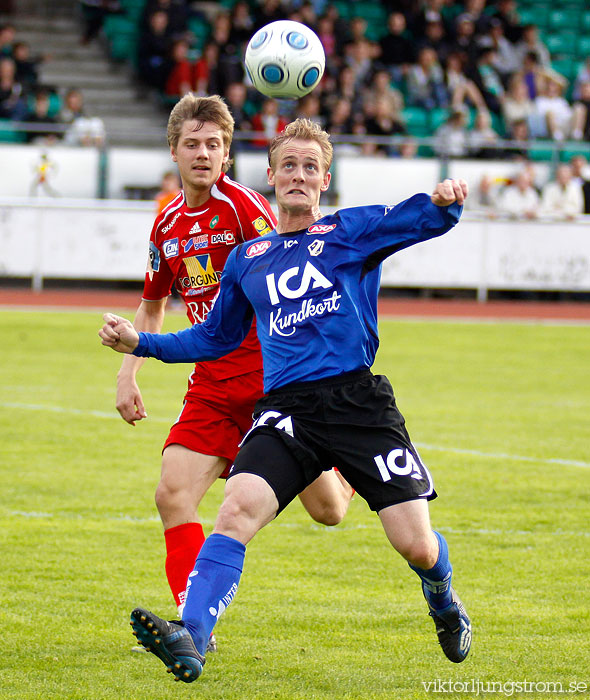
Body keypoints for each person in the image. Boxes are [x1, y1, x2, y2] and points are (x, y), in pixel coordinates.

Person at [99, 118, 472, 683]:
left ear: (325, 180)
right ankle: (192, 636)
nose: (299, 175)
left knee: (416, 545)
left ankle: (442, 594)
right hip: (284, 411)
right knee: (235, 510)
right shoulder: (249, 260)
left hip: (356, 406)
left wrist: (445, 203)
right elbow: (214, 338)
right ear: (271, 176)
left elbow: (416, 220)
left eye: (311, 167)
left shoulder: (351, 231)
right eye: (289, 166)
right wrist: (141, 344)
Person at [109, 97, 353, 647]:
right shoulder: (167, 222)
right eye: (192, 144)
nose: (203, 154)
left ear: (227, 153)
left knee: (330, 510)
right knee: (173, 494)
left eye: (214, 144)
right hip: (213, 386)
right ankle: (193, 625)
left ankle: (348, 453)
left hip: (273, 379)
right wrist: (129, 373)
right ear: (173, 149)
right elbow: (153, 305)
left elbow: (297, 269)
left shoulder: (245, 209)